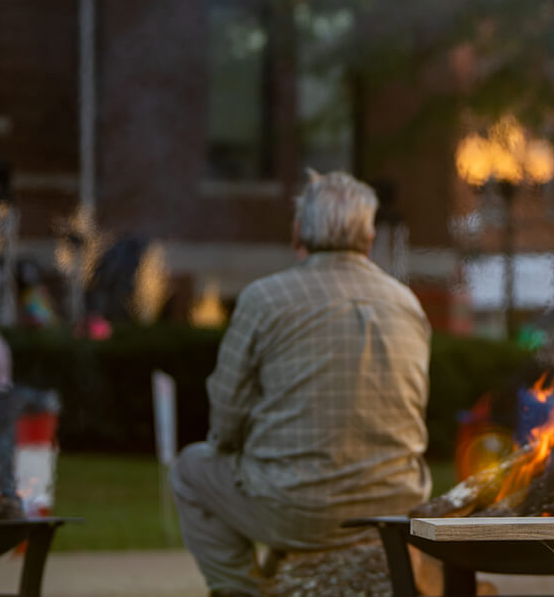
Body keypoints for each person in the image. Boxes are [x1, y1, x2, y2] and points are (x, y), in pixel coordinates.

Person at [172, 171, 432, 597]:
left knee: (190, 470)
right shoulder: (407, 304)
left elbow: (226, 411)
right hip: (395, 506)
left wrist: (232, 444)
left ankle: (241, 590)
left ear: (298, 233)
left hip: (295, 508)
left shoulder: (264, 299)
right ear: (368, 238)